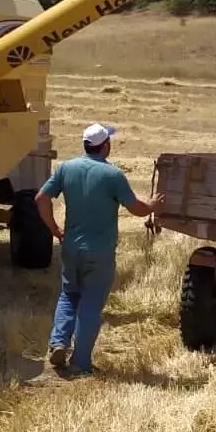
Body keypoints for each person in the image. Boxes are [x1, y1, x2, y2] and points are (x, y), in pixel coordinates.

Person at [35, 123, 165, 375]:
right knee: (91, 305)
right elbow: (136, 209)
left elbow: (41, 198)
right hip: (100, 252)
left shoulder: (66, 168)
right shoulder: (112, 175)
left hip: (71, 247)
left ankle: (58, 342)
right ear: (104, 145)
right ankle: (80, 363)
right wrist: (151, 206)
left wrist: (54, 230)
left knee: (69, 295)